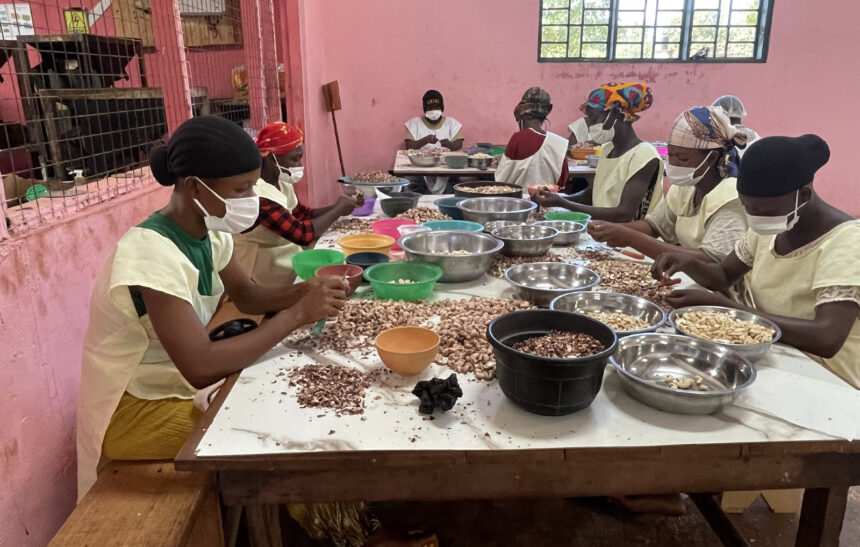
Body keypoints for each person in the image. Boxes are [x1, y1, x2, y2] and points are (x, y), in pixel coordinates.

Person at [77, 116, 432, 546]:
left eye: (251, 185)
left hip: (172, 387)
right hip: (136, 411)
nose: (251, 199)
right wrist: (299, 313)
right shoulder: (149, 253)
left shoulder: (208, 231)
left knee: (292, 414)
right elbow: (199, 366)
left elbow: (248, 296)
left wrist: (311, 289)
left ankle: (355, 520)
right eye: (240, 189)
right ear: (193, 187)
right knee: (275, 445)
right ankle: (354, 537)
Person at [652, 135, 860, 389]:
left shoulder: (847, 242)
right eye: (747, 207)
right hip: (774, 354)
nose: (755, 217)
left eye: (765, 211)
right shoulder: (771, 226)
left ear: (803, 194)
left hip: (826, 377)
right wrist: (684, 261)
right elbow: (723, 275)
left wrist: (731, 312)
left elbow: (827, 338)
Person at [589, 106, 748, 262]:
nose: (674, 163)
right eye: (670, 155)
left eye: (682, 158)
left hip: (718, 286)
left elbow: (713, 260)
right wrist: (610, 229)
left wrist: (631, 238)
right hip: (691, 275)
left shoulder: (730, 198)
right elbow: (655, 226)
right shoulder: (685, 188)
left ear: (711, 158)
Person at [232, 122, 362, 286]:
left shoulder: (280, 181)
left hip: (283, 259)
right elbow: (302, 234)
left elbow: (302, 214)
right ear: (273, 158)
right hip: (257, 273)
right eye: (295, 159)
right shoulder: (259, 195)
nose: (300, 165)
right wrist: (337, 210)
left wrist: (343, 206)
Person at [534, 83, 663, 222]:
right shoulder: (607, 149)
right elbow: (590, 196)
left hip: (630, 239)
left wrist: (564, 203)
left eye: (594, 119)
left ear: (614, 114)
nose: (590, 125)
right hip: (603, 231)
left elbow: (623, 213)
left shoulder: (644, 155)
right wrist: (558, 198)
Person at [495, 87, 569, 188]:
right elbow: (561, 183)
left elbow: (501, 180)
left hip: (519, 201)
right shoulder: (560, 144)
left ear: (521, 116)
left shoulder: (518, 139)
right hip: (549, 201)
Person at [404, 90, 464, 194]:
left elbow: (459, 145)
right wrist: (425, 140)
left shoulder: (451, 123)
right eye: (430, 108)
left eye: (437, 107)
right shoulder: (415, 123)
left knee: (454, 186)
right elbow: (409, 145)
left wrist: (449, 144)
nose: (433, 111)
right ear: (424, 109)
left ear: (442, 108)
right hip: (420, 167)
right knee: (410, 182)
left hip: (446, 168)